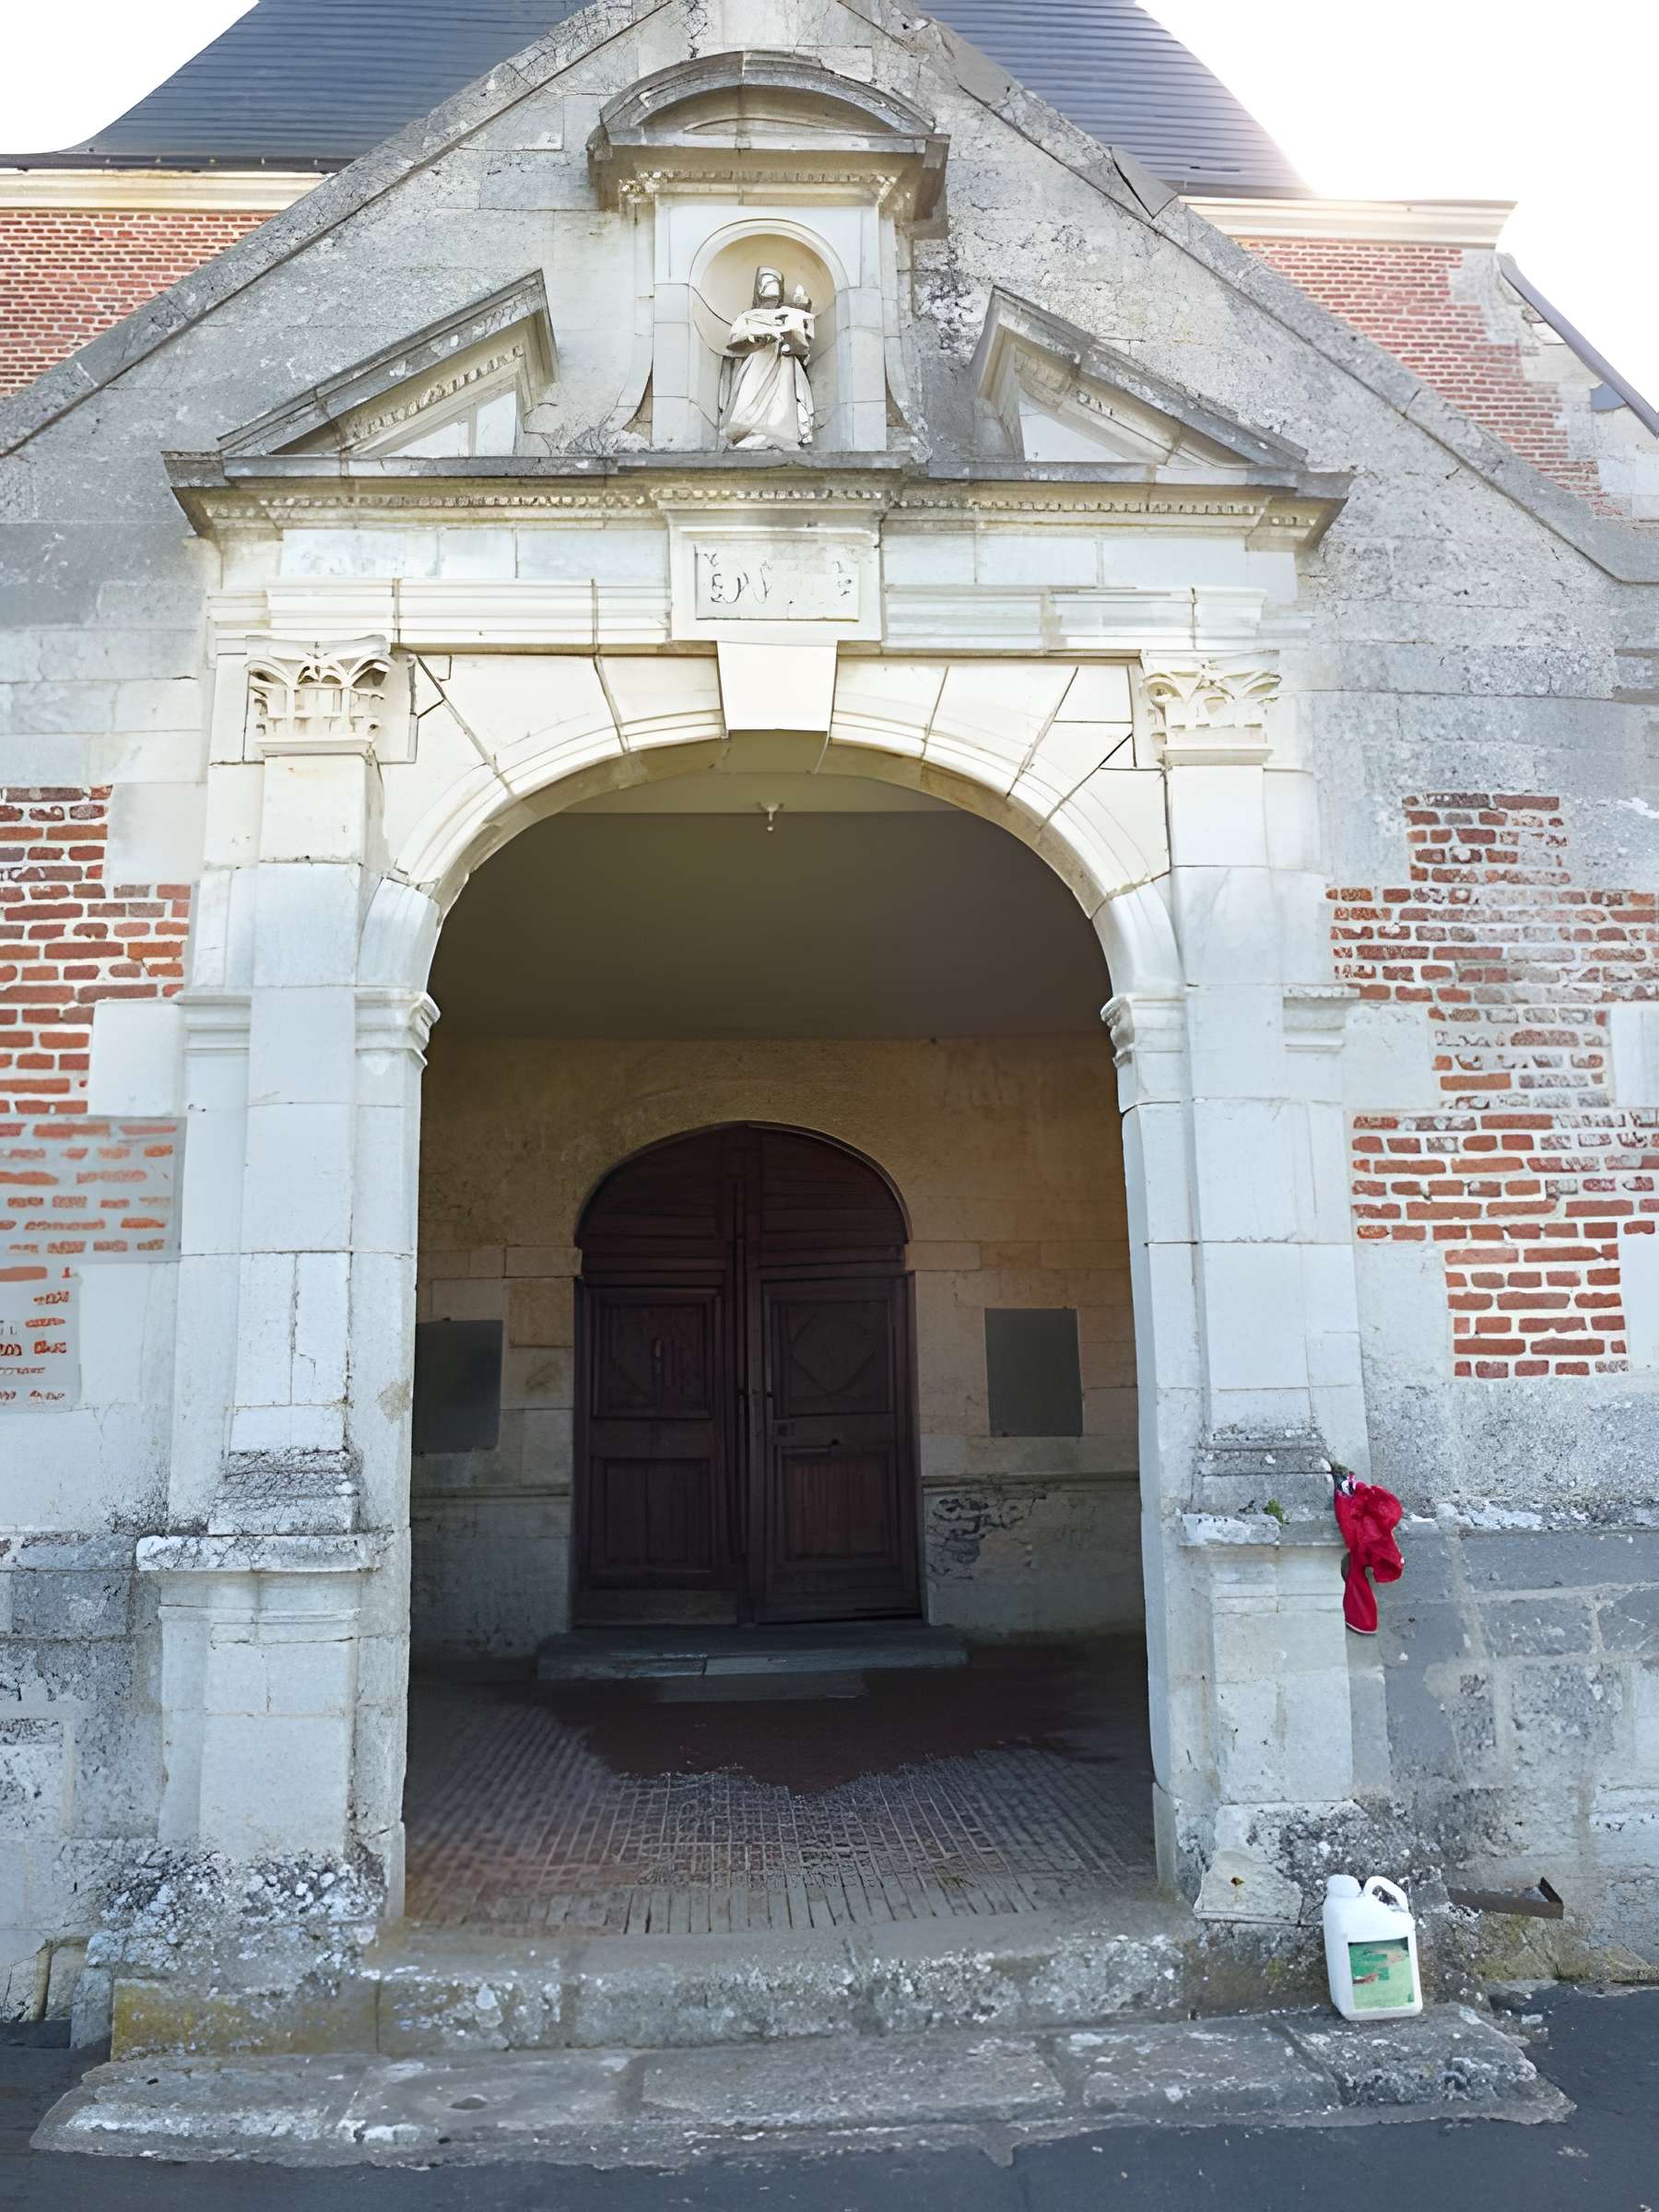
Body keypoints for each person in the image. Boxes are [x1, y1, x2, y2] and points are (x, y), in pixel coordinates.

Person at [722, 266, 816, 450]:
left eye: (774, 289)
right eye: (766, 287)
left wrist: (791, 335)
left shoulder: (789, 315)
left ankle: (779, 433)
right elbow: (735, 340)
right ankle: (749, 432)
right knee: (749, 396)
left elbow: (802, 347)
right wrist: (756, 336)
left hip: (782, 362)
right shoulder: (747, 316)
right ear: (759, 291)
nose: (770, 297)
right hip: (758, 359)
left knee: (783, 396)